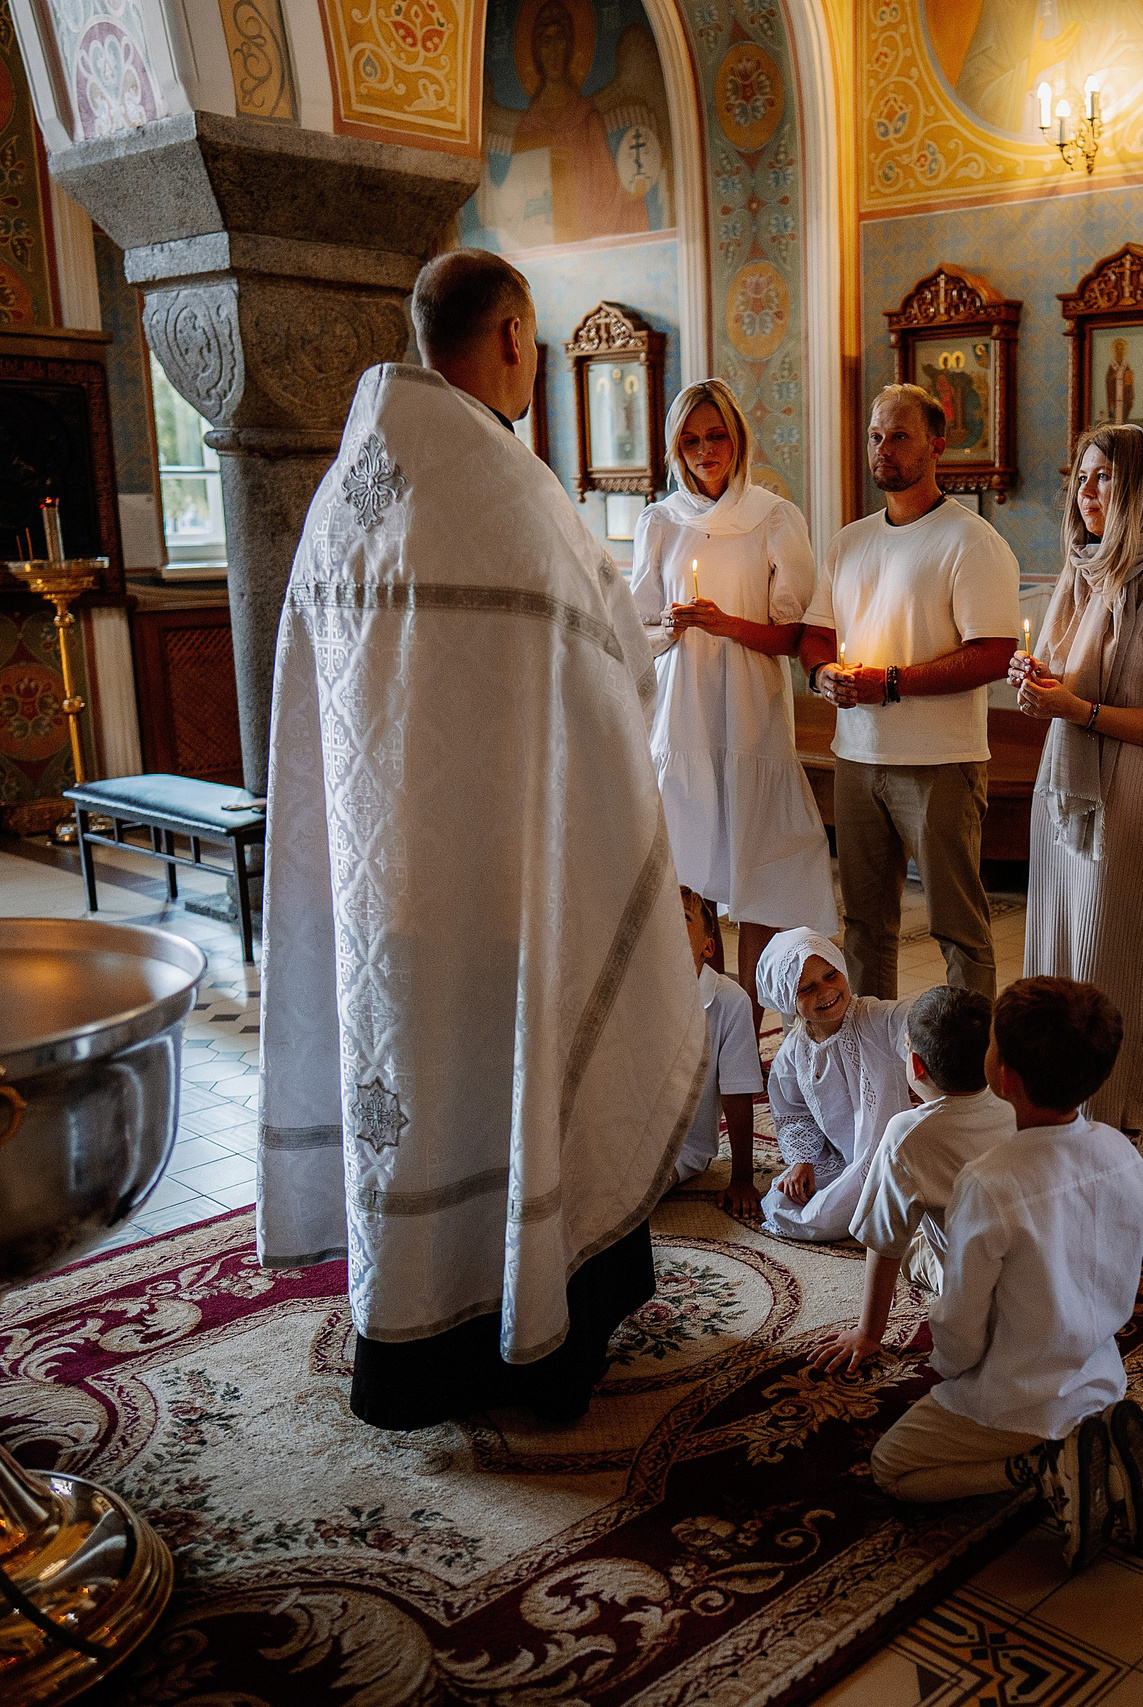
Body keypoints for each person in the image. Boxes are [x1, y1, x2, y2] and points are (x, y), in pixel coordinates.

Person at [258, 248, 701, 1430]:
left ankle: (410, 1340)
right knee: (515, 1087)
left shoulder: (346, 489)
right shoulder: (511, 494)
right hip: (508, 883)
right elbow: (615, 673)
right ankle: (535, 1347)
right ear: (512, 340)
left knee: (418, 1091)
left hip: (383, 894)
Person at [869, 977, 1143, 1573]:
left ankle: (1043, 1472)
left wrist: (947, 1374)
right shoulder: (1120, 1151)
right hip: (1100, 1373)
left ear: (1002, 1075)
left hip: (1015, 1399)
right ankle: (1094, 1447)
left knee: (891, 1467)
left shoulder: (990, 1181)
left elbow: (960, 1325)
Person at [801, 386, 1022, 998]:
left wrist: (889, 683)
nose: (883, 449)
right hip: (858, 757)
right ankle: (871, 1063)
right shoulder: (849, 541)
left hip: (940, 762)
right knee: (865, 925)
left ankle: (967, 1071)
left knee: (957, 927)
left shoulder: (970, 541)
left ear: (936, 447)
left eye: (899, 437)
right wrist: (824, 676)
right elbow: (816, 635)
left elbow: (994, 654)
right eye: (876, 436)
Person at [633, 376, 837, 1026]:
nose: (703, 451)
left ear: (737, 437)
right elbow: (638, 627)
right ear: (675, 448)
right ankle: (699, 1034)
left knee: (755, 881)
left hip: (749, 715)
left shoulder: (773, 516)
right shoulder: (660, 521)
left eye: (714, 435)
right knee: (687, 883)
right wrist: (672, 624)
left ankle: (744, 1034)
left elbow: (793, 631)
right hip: (683, 715)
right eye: (690, 441)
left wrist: (728, 624)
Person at [1012, 425, 1143, 1131]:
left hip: (1123, 794)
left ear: (1142, 492)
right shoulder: (1082, 577)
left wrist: (1076, 707)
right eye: (1083, 479)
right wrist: (1040, 685)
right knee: (1055, 958)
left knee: (1110, 963)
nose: (1089, 495)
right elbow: (1067, 685)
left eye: (1107, 481)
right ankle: (1058, 1109)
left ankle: (1121, 1119)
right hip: (1061, 788)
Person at [812, 984, 1014, 1372]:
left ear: (916, 1064)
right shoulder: (1018, 1097)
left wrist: (868, 1334)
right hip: (1045, 1276)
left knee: (909, 1246)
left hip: (984, 1300)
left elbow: (883, 1239)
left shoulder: (907, 1133)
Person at [756, 926, 918, 1242]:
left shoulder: (873, 1018)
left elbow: (910, 1019)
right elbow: (794, 1114)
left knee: (832, 1214)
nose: (825, 991)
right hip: (843, 1160)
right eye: (807, 988)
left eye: (831, 976)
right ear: (788, 999)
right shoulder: (793, 1054)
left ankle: (885, 1210)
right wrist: (802, 1161)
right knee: (779, 1201)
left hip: (893, 1158)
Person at [673, 884, 768, 1221]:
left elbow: (738, 1095)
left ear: (707, 947)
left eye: (683, 917)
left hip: (679, 1148)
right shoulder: (632, 986)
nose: (668, 921)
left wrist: (742, 1178)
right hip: (621, 1129)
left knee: (622, 1195)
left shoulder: (730, 1002)